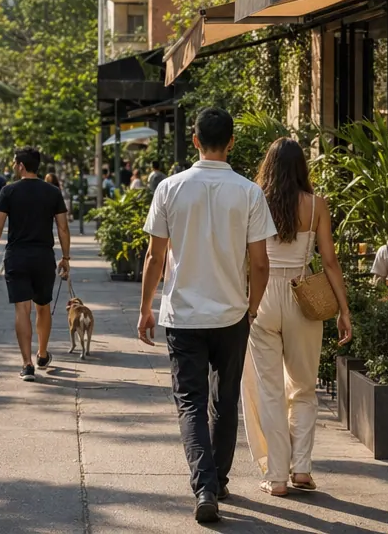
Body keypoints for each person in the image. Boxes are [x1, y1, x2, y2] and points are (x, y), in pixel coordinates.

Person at [138, 107, 275, 524]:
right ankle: (217, 478)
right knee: (225, 398)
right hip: (232, 313)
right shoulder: (249, 192)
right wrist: (251, 308)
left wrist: (146, 307)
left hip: (183, 315)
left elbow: (154, 255)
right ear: (231, 141)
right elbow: (261, 263)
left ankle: (205, 486)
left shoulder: (170, 188)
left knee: (191, 403)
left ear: (194, 140)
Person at [242, 138, 352, 497]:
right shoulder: (317, 204)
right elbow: (330, 262)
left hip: (263, 295)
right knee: (304, 388)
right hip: (302, 294)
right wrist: (344, 309)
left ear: (268, 167)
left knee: (271, 390)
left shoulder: (254, 199)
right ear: (301, 167)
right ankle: (301, 468)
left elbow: (246, 256)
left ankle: (276, 478)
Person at [0, 147, 71, 381]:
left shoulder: (8, 191)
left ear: (21, 165)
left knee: (22, 309)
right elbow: (63, 227)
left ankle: (27, 364)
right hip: (43, 257)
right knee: (43, 306)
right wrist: (66, 257)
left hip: (17, 257)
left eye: (14, 162)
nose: (13, 166)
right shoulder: (53, 192)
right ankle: (42, 353)